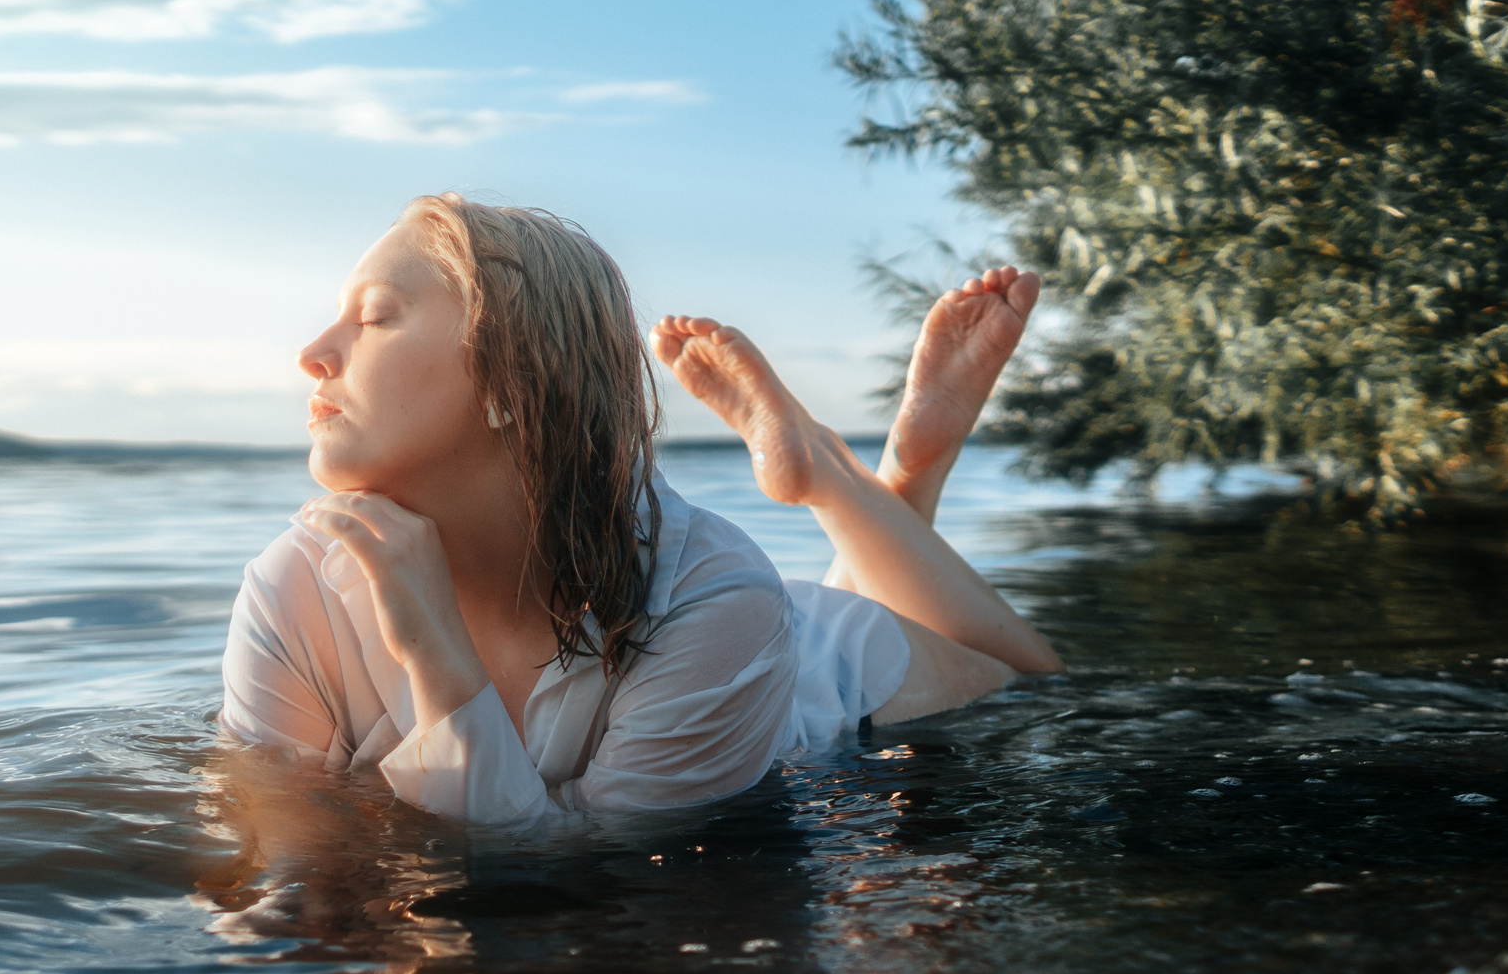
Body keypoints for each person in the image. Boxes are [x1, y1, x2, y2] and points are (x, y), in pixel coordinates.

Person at [218, 193, 1060, 825]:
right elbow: (276, 844)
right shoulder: (294, 582)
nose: (313, 354)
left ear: (513, 378)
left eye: (374, 318)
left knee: (1029, 683)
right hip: (741, 635)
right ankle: (880, 476)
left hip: (813, 666)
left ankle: (845, 477)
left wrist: (433, 654)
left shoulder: (717, 601)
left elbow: (587, 876)